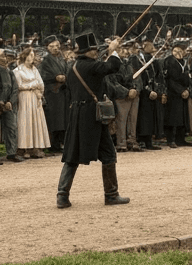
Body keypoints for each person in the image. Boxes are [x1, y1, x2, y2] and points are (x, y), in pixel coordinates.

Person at [56, 32, 129, 209]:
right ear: (86, 52)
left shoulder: (74, 66)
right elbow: (112, 66)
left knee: (72, 155)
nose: (96, 52)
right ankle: (111, 195)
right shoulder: (90, 67)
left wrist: (108, 52)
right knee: (109, 153)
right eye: (93, 50)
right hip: (92, 116)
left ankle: (62, 195)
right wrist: (113, 51)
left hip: (78, 114)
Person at [15, 46, 51, 157]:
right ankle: (24, 147)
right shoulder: (18, 70)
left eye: (33, 55)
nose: (32, 57)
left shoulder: (34, 69)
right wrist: (32, 85)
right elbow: (19, 85)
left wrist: (37, 90)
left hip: (35, 97)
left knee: (36, 121)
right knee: (25, 121)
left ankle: (36, 147)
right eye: (30, 55)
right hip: (25, 98)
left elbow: (41, 83)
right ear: (25, 56)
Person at [109, 40, 141, 152]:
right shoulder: (112, 62)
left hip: (133, 93)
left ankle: (131, 140)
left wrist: (135, 89)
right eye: (121, 48)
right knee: (121, 120)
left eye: (126, 48)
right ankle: (121, 143)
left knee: (132, 120)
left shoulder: (129, 62)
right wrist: (126, 92)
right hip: (121, 95)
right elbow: (113, 81)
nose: (125, 51)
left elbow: (136, 77)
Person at [39, 35, 69, 153]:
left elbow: (68, 70)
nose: (56, 48)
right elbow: (42, 75)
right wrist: (54, 77)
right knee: (54, 119)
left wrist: (65, 77)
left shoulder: (62, 58)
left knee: (63, 119)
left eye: (57, 46)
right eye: (52, 46)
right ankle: (54, 144)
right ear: (47, 47)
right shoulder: (45, 60)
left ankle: (62, 142)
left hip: (63, 91)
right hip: (52, 92)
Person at [132, 38, 164, 150]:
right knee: (143, 117)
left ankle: (149, 140)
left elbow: (155, 74)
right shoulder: (135, 59)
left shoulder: (151, 59)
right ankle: (142, 140)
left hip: (152, 89)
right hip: (144, 91)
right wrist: (148, 90)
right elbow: (140, 76)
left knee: (151, 116)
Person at [0, 48, 21, 162]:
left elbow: (15, 88)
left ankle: (11, 152)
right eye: (2, 57)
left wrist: (10, 102)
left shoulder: (10, 71)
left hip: (8, 104)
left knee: (11, 128)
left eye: (6, 57)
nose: (5, 59)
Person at [163, 41, 192, 147]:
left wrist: (188, 90)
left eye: (180, 51)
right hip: (173, 93)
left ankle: (181, 138)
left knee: (182, 116)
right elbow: (170, 79)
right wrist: (181, 90)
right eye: (175, 50)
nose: (177, 53)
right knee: (173, 116)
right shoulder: (169, 61)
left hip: (183, 92)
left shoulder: (184, 62)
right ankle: (170, 139)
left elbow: (188, 76)